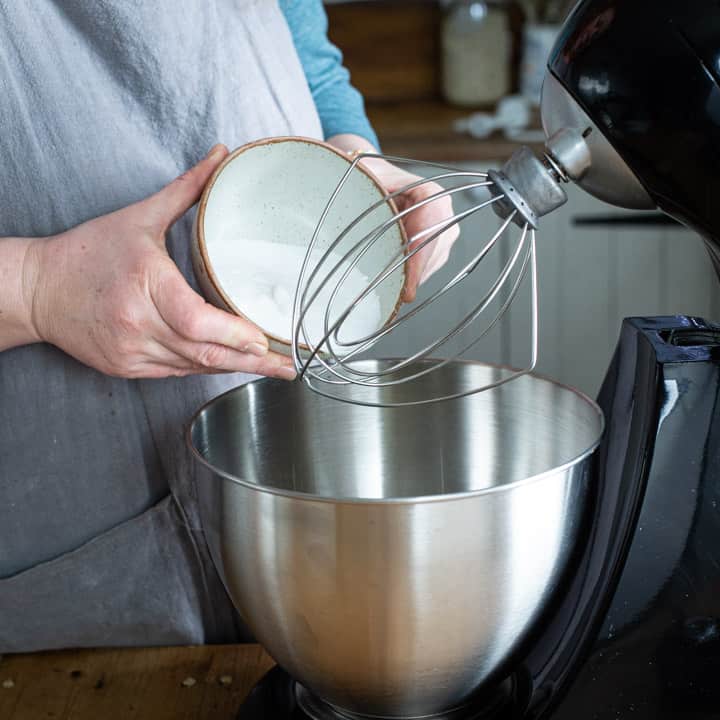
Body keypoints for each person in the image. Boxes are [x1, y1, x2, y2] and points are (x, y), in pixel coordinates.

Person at [0, 0, 457, 651]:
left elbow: (309, 60)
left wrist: (354, 159)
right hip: (58, 543)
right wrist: (33, 287)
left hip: (275, 507)